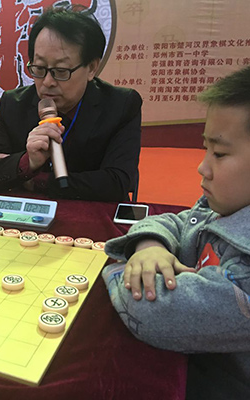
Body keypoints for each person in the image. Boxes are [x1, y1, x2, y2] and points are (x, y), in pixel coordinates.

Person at [102, 66, 250, 399]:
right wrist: (149, 246)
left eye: (219, 153)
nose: (202, 166)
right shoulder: (227, 204)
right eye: (205, 149)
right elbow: (180, 221)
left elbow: (151, 310)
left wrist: (117, 266)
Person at [0, 7, 142, 201]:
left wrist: (37, 180)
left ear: (91, 68)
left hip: (90, 215)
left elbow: (116, 183)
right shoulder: (14, 104)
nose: (47, 82)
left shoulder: (121, 105)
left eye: (61, 71)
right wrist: (28, 162)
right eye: (39, 68)